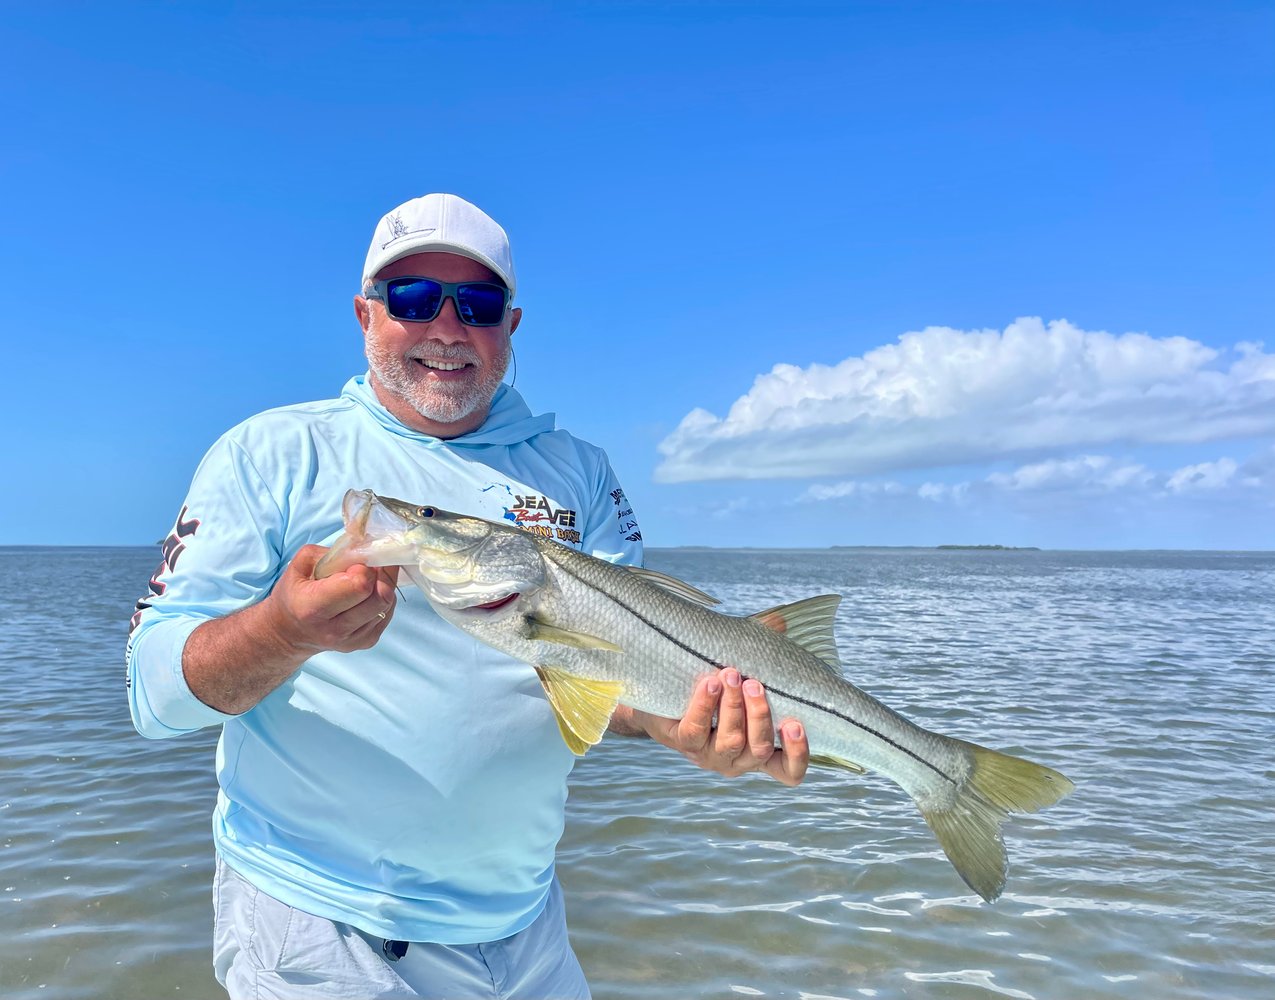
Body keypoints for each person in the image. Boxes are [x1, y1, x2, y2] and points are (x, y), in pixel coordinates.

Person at [126, 193, 810, 999]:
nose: (447, 329)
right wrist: (281, 631)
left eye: (477, 304)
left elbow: (610, 690)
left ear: (510, 327)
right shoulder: (271, 453)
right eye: (413, 299)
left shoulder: (578, 471)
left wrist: (688, 730)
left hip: (526, 927)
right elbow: (154, 697)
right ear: (365, 314)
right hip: (321, 924)